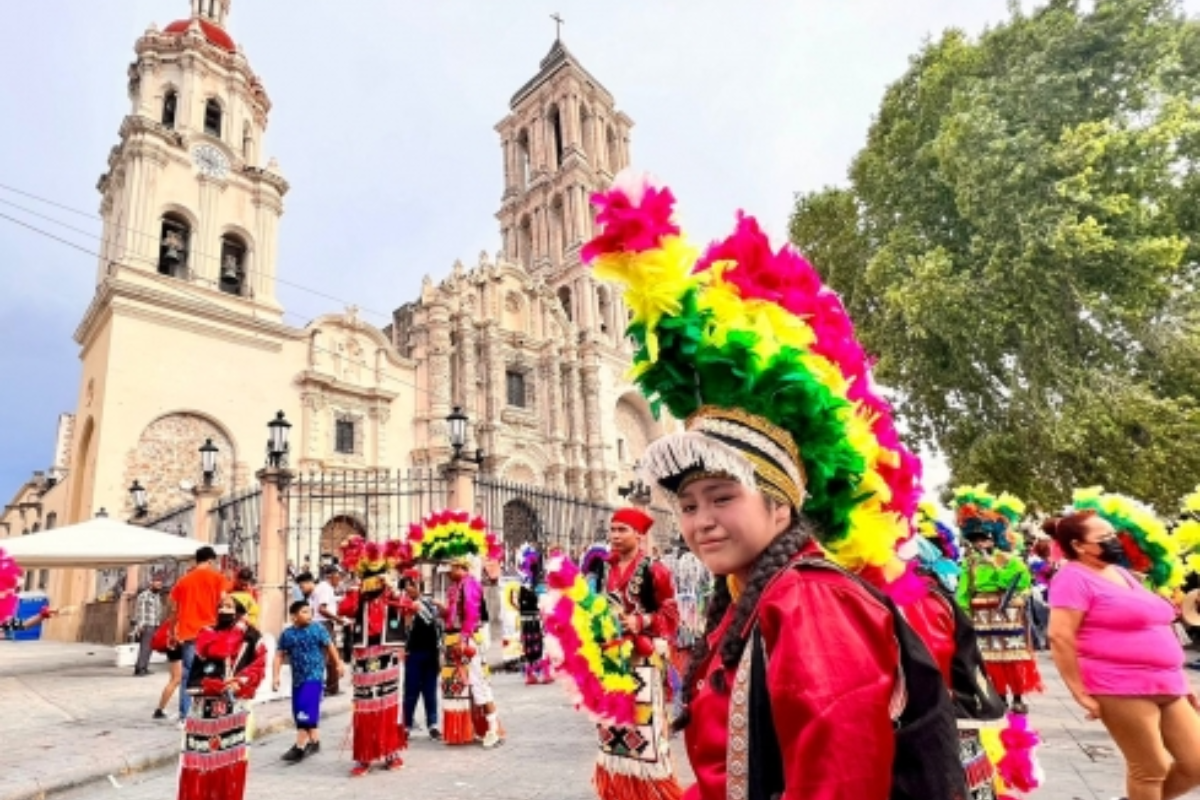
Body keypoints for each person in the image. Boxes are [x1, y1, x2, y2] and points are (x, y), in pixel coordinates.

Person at [581, 171, 964, 800]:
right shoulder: (750, 596)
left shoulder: (812, 605)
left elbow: (836, 783)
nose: (700, 520)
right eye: (688, 505)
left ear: (781, 503)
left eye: (723, 497)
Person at [1048, 507, 1200, 800]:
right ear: (1078, 545)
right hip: (1119, 685)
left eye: (1113, 534)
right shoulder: (1072, 578)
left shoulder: (1119, 573)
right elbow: (1059, 636)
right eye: (1103, 536)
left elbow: (1154, 624)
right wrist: (1079, 692)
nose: (1113, 541)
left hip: (1167, 683)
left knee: (1195, 763)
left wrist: (1181, 681)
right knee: (1150, 768)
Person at [955, 487, 1042, 714]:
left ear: (994, 538)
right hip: (982, 613)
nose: (980, 544)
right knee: (990, 656)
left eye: (984, 539)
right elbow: (964, 590)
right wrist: (963, 613)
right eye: (976, 540)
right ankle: (1000, 696)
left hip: (1008, 611)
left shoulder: (1010, 560)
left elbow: (1019, 582)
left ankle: (1019, 697)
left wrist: (996, 564)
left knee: (1014, 654)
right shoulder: (970, 563)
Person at [336, 536, 412, 777]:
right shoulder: (357, 595)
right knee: (365, 704)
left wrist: (392, 588)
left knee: (389, 701)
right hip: (364, 653)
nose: (375, 583)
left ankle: (391, 751)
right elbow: (344, 610)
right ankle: (365, 755)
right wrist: (357, 590)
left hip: (388, 652)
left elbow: (411, 606)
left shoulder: (391, 595)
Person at [178, 597, 266, 800]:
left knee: (230, 762)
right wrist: (206, 685)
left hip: (235, 706)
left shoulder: (251, 636)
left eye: (229, 607)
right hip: (203, 706)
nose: (223, 610)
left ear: (239, 611)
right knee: (201, 761)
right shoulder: (206, 633)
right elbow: (204, 662)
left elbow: (259, 665)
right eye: (221, 606)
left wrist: (240, 681)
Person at [442, 555, 502, 748]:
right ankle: (470, 728)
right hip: (457, 639)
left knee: (479, 685)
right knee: (458, 688)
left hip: (467, 641)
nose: (448, 574)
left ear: (460, 567)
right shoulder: (455, 587)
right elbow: (454, 616)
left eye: (451, 569)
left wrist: (463, 639)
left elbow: (471, 614)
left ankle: (492, 729)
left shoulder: (470, 585)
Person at [273, 600, 344, 763]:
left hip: (315, 676)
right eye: (304, 612)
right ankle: (315, 741)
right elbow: (279, 655)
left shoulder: (318, 629)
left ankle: (299, 746)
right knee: (299, 709)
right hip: (298, 678)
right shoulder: (288, 634)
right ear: (294, 616)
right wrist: (275, 677)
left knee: (306, 709)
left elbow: (330, 647)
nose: (309, 615)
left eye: (310, 611)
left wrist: (338, 664)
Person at [170, 546, 227, 721]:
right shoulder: (217, 578)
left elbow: (173, 608)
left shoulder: (183, 581)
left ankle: (185, 715)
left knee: (188, 674)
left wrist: (173, 631)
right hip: (210, 633)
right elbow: (224, 601)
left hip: (189, 633)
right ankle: (215, 712)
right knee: (214, 672)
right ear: (210, 560)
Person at [400, 569, 443, 739]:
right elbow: (404, 630)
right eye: (407, 586)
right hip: (413, 653)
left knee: (430, 690)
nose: (411, 588)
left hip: (431, 653)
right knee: (411, 691)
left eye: (413, 585)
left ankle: (432, 724)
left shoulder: (429, 603)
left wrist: (439, 653)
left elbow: (437, 628)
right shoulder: (402, 606)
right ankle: (407, 725)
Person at [514, 544, 551, 685]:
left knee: (529, 647)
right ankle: (543, 674)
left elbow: (520, 605)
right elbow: (541, 604)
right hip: (535, 620)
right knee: (540, 646)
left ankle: (531, 674)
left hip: (526, 621)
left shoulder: (523, 587)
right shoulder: (535, 586)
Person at [132, 576, 164, 676]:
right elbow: (139, 611)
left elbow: (158, 611)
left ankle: (142, 667)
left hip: (155, 624)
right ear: (151, 583)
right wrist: (140, 626)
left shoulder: (157, 596)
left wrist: (159, 625)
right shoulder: (144, 595)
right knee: (145, 647)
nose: (159, 586)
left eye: (160, 585)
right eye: (157, 584)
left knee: (149, 647)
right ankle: (140, 669)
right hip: (146, 625)